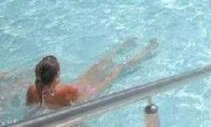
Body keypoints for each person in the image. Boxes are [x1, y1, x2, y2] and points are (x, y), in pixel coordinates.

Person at [26, 40, 158, 108]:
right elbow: (83, 98)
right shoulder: (67, 90)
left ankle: (132, 48)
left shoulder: (32, 91)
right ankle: (139, 49)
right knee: (114, 69)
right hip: (89, 92)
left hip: (79, 90)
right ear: (57, 75)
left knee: (107, 69)